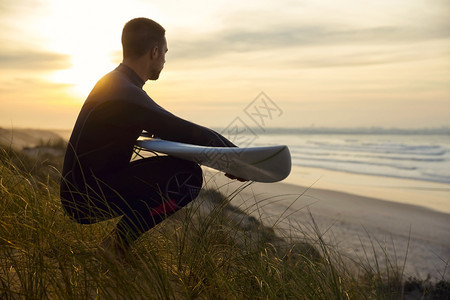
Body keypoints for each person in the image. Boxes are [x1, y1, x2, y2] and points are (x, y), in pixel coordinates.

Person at [60, 17, 244, 258]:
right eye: (165, 53)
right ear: (155, 51)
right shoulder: (124, 92)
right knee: (187, 177)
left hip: (83, 190)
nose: (165, 60)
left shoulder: (114, 83)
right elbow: (183, 129)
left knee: (181, 168)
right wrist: (234, 158)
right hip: (84, 199)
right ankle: (115, 246)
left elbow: (162, 125)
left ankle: (115, 245)